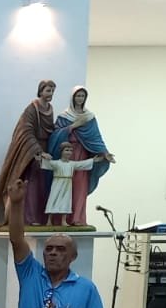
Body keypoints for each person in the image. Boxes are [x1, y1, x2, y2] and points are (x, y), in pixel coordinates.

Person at [6, 179, 107, 308]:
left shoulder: (86, 287)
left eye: (60, 249)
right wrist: (17, 203)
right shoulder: (30, 272)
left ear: (73, 256)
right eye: (49, 249)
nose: (53, 253)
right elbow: (17, 239)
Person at [46, 85, 117, 227]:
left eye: (82, 96)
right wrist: (74, 126)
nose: (80, 99)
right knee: (63, 186)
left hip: (82, 155)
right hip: (67, 155)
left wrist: (104, 153)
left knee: (80, 186)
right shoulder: (64, 116)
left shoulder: (89, 117)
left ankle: (77, 218)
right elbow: (55, 135)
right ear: (73, 98)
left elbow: (96, 138)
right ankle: (59, 220)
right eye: (78, 96)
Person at [0, 79, 57, 225]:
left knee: (42, 186)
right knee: (31, 185)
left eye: (52, 91)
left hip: (45, 150)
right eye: (48, 90)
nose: (50, 93)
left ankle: (41, 218)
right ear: (40, 91)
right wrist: (38, 151)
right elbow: (25, 130)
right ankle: (29, 218)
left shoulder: (50, 108)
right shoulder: (32, 108)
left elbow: (51, 129)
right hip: (31, 152)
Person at [37, 149, 105, 227]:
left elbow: (82, 164)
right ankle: (49, 220)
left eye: (70, 151)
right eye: (67, 150)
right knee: (53, 200)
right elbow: (47, 164)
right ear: (61, 152)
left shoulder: (72, 164)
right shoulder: (57, 163)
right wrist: (40, 159)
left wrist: (93, 160)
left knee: (65, 202)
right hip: (57, 184)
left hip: (67, 185)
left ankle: (63, 221)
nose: (69, 152)